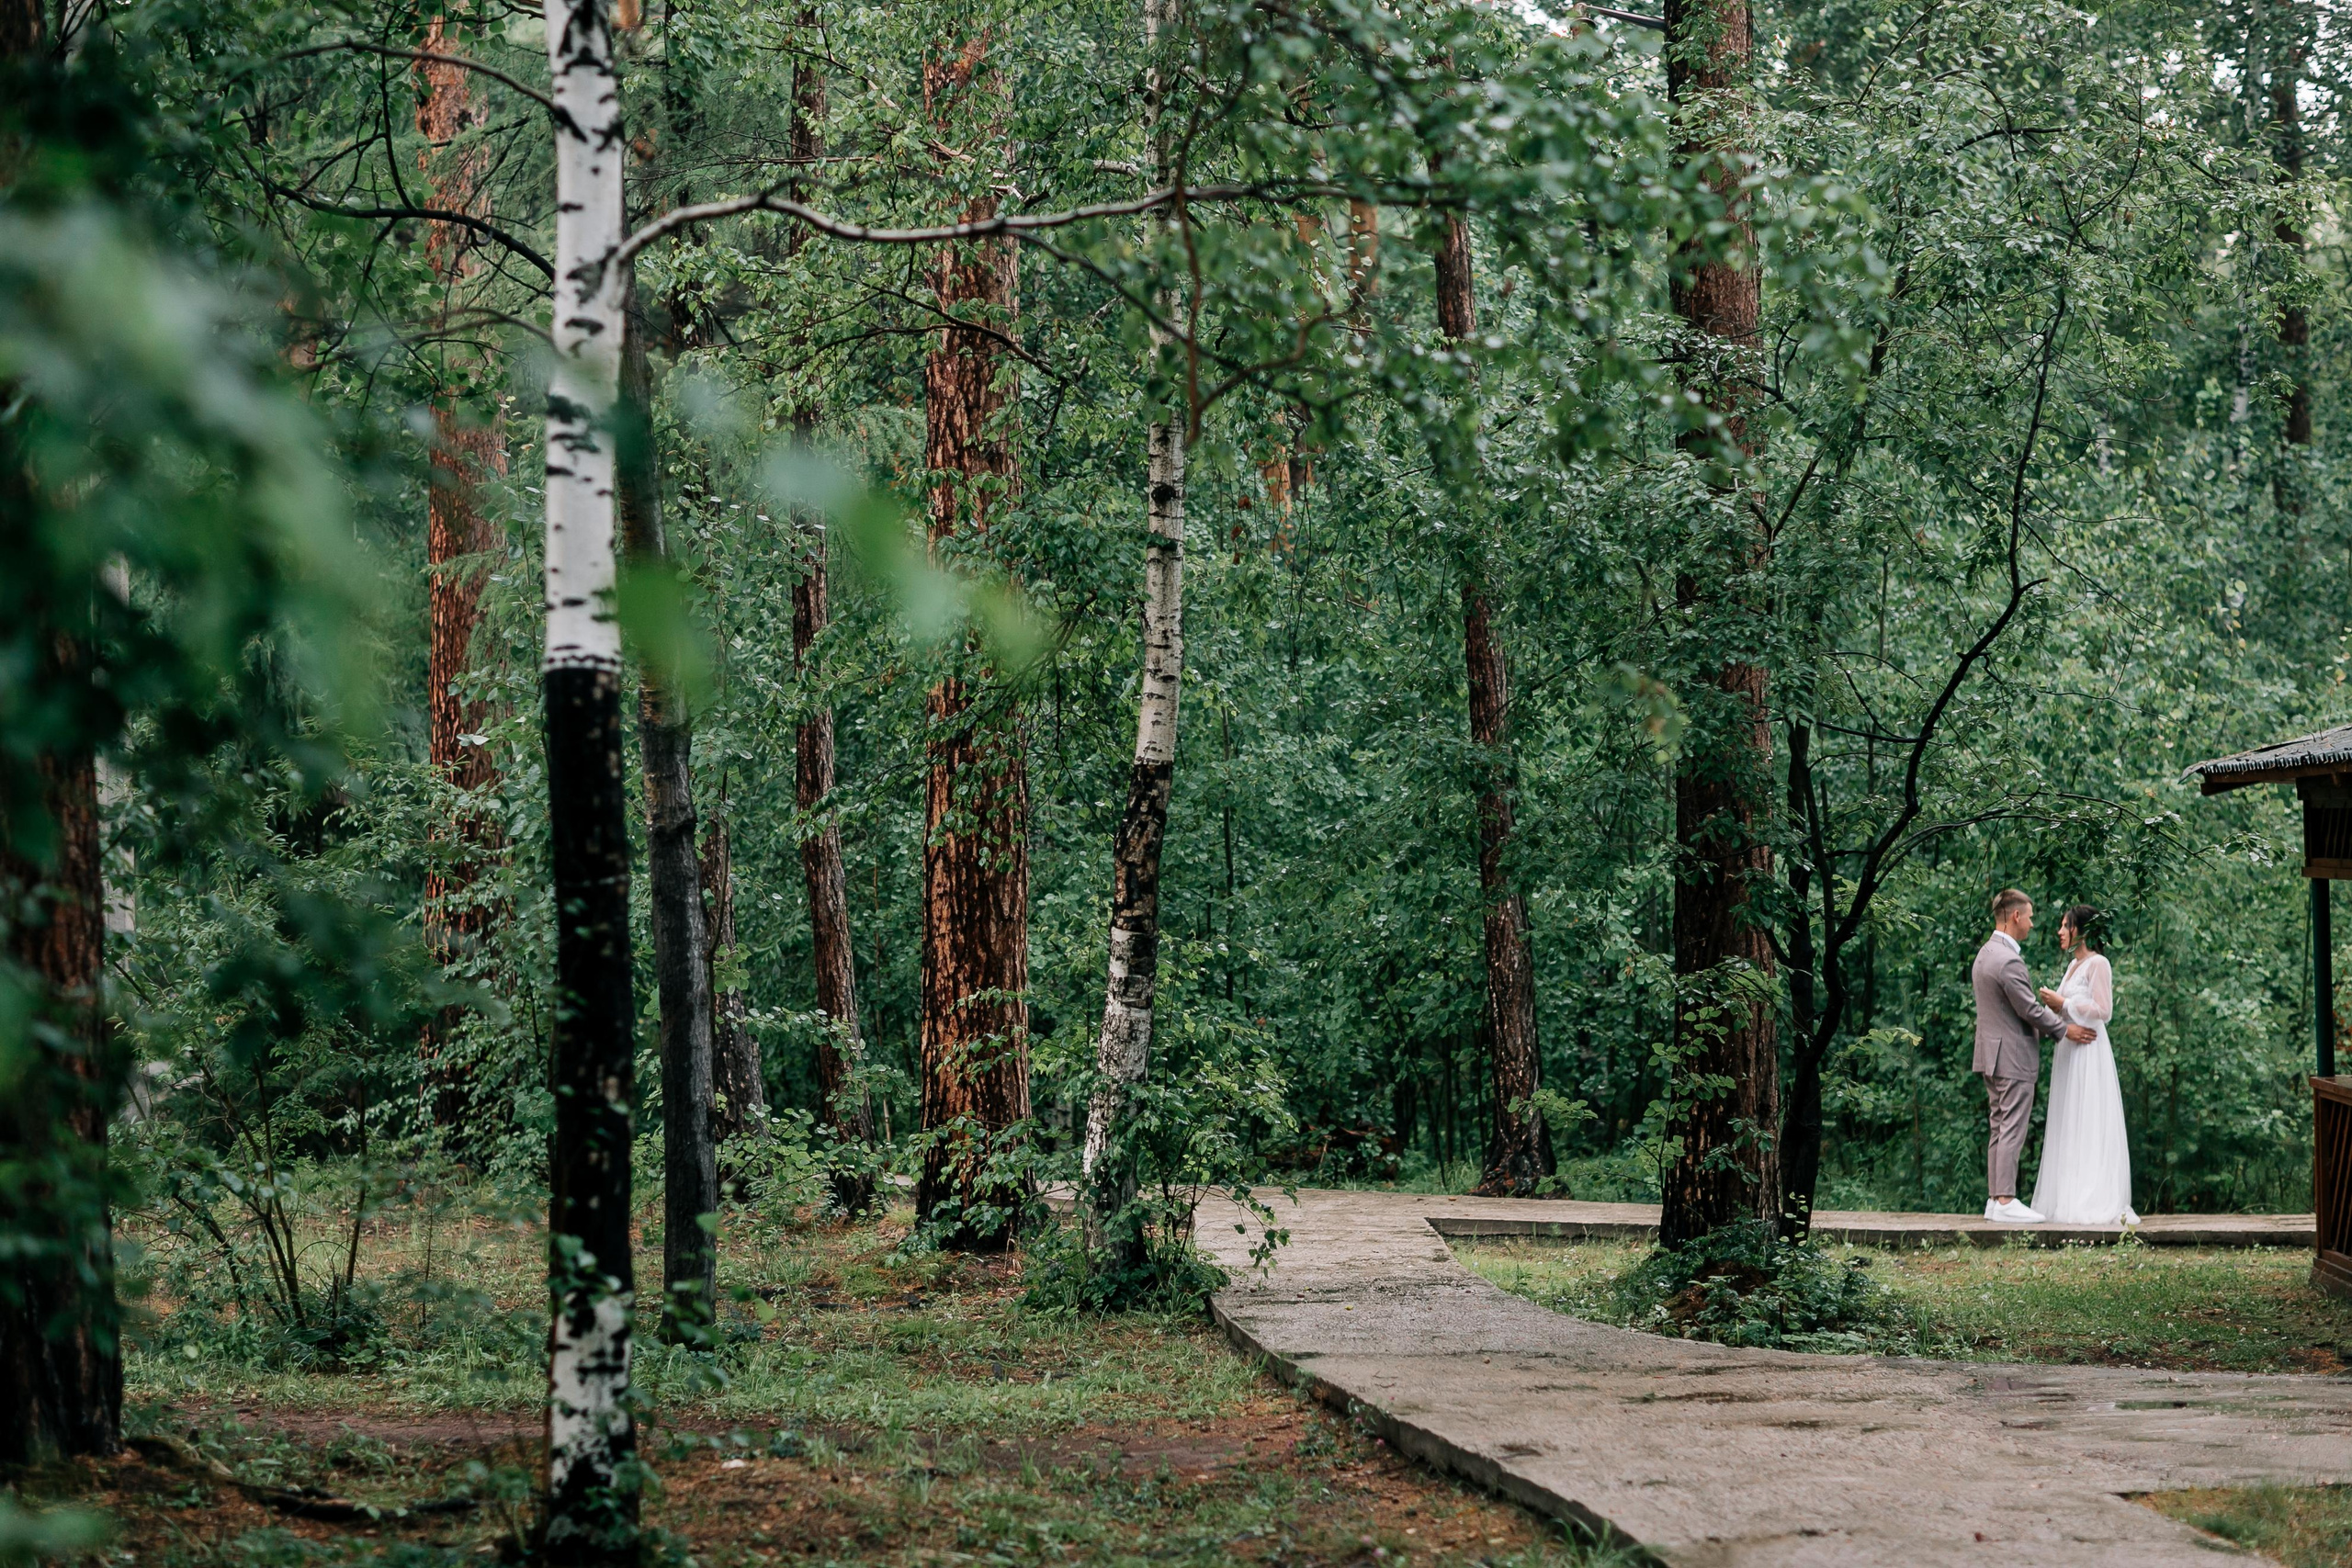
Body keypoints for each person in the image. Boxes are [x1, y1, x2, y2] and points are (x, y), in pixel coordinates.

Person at [1970, 889, 2088, 1223]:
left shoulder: (1985, 954)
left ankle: (1995, 1200)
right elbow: (2029, 1009)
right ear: (2016, 916)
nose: (2033, 924)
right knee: (2011, 1128)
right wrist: (2064, 1030)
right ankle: (2006, 1200)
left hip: (1991, 1055)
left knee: (1998, 1126)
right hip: (2012, 1056)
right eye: (2030, 917)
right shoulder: (2007, 959)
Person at [2030, 905, 2140, 1225]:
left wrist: (2063, 1003)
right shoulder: (2072, 966)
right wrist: (2053, 1009)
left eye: (2066, 926)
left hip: (2089, 1051)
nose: (2060, 932)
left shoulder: (2098, 963)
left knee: (2088, 1116)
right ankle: (2067, 1194)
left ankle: (2091, 1196)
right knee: (2068, 1119)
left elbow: (2104, 1010)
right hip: (2068, 1049)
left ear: (2082, 930)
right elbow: (2066, 1010)